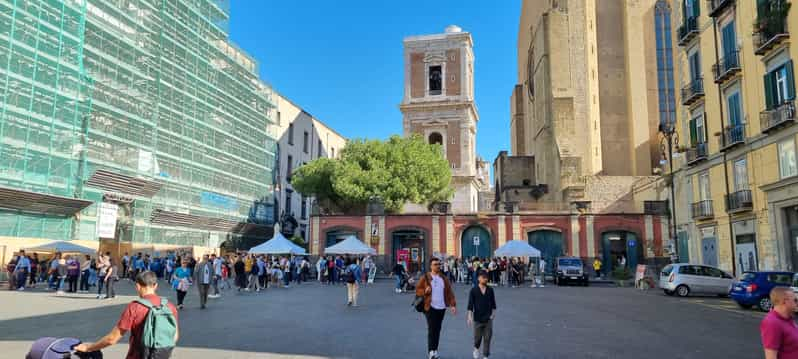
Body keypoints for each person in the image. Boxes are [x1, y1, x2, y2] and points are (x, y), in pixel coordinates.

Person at [75, 271, 179, 358]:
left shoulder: (135, 307)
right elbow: (175, 335)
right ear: (155, 285)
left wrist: (88, 347)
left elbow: (112, 339)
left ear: (137, 286)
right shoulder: (169, 306)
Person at [416, 257, 457, 359]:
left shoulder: (444, 278)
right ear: (430, 266)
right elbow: (417, 290)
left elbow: (449, 292)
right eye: (435, 264)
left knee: (437, 329)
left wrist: (453, 305)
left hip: (441, 307)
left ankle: (435, 351)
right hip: (430, 307)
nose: (438, 266)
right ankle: (431, 352)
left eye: (439, 264)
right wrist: (425, 290)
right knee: (432, 329)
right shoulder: (425, 277)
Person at [760, 287, 798, 358]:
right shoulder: (772, 323)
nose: (797, 303)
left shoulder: (788, 318)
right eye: (795, 300)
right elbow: (771, 357)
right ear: (784, 301)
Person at [468, 271, 497, 359]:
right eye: (483, 277)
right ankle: (476, 349)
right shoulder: (473, 290)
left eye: (486, 277)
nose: (485, 279)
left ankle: (485, 356)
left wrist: (493, 314)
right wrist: (469, 316)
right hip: (477, 319)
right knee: (478, 339)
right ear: (478, 278)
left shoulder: (490, 290)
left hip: (488, 319)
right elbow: (470, 305)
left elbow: (493, 304)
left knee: (487, 338)